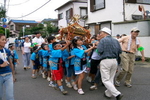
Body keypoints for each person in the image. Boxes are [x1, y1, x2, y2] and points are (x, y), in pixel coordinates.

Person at [97, 27, 123, 100]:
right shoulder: (116, 40)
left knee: (105, 79)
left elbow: (99, 51)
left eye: (101, 33)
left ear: (105, 33)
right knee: (110, 79)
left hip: (105, 60)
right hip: (115, 60)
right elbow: (119, 51)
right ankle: (108, 94)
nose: (100, 34)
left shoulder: (102, 41)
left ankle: (117, 94)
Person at [0, 34, 15, 100]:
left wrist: (13, 75)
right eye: (3, 40)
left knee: (10, 96)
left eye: (5, 39)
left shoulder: (7, 51)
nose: (5, 41)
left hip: (8, 74)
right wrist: (1, 65)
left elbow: (10, 63)